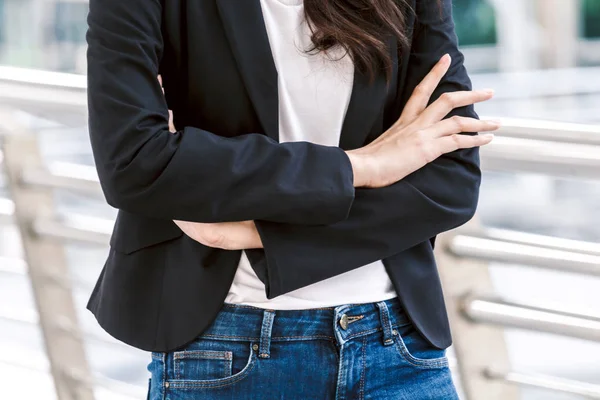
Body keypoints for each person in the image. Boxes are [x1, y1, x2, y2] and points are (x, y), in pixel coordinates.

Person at [85, 0, 499, 398]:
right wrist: (361, 166)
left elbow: (452, 180)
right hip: (228, 343)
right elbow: (134, 164)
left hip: (397, 346)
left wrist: (259, 234)